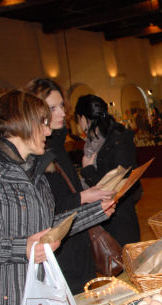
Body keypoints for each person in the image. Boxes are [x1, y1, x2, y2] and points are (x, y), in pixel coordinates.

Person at [0, 90, 114, 305]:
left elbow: (48, 227)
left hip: (38, 303)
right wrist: (21, 248)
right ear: (21, 124)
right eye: (43, 123)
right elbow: (24, 243)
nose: (49, 131)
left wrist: (96, 211)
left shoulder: (35, 174)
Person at [25, 78, 115, 293]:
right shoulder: (37, 152)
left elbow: (66, 192)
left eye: (61, 106)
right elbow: (49, 208)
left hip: (76, 238)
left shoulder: (55, 144)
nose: (62, 113)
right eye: (52, 108)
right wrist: (85, 198)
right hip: (60, 249)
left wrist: (90, 197)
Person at [75, 94, 141, 246]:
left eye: (78, 119)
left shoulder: (115, 141)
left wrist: (88, 170)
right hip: (111, 217)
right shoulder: (99, 141)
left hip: (118, 221)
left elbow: (113, 188)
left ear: (84, 118)